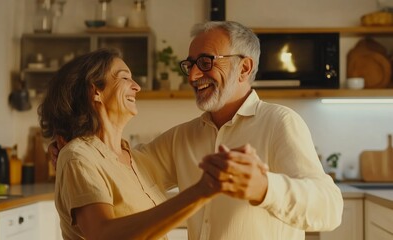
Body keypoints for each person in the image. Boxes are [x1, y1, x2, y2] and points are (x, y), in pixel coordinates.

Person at [50, 21, 343, 240]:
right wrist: (75, 148)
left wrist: (265, 188)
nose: (192, 75)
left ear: (244, 68)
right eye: (189, 65)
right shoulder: (183, 137)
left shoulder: (279, 122)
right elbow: (120, 166)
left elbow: (330, 209)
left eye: (205, 62)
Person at [38, 48, 260, 240]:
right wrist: (201, 191)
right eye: (125, 78)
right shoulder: (79, 156)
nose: (136, 87)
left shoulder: (136, 159)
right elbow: (103, 236)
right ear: (96, 90)